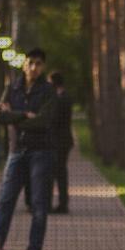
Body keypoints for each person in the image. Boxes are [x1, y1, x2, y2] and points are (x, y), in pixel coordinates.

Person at [0, 48, 58, 250]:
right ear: (24, 64)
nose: (34, 67)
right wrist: (23, 115)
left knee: (39, 205)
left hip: (41, 152)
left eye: (38, 63)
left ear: (43, 67)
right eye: (30, 62)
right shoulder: (12, 88)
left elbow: (44, 121)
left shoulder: (48, 91)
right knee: (5, 201)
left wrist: (14, 117)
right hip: (16, 151)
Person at [49, 71, 74, 213]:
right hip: (63, 140)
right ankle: (61, 202)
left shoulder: (61, 98)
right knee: (60, 172)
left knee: (58, 172)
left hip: (60, 141)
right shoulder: (64, 96)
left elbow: (55, 120)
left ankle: (62, 204)